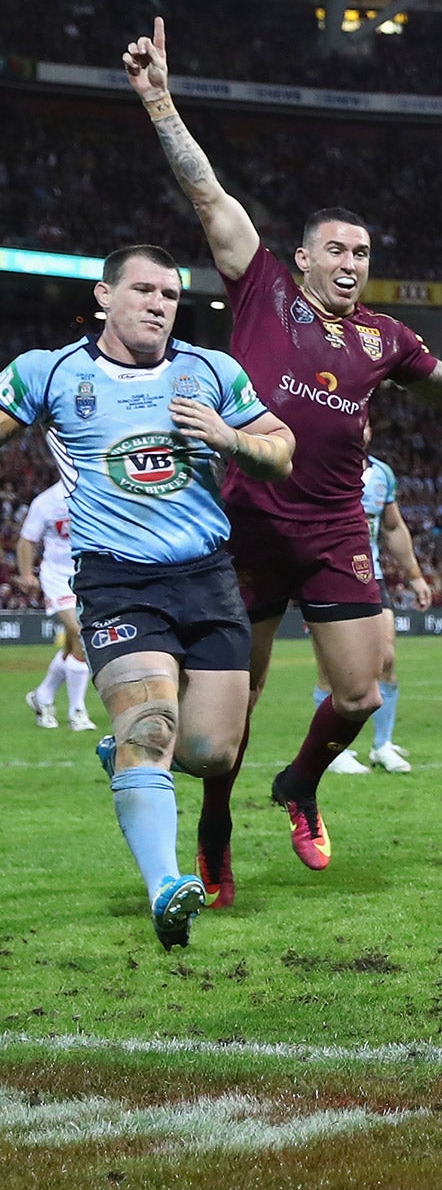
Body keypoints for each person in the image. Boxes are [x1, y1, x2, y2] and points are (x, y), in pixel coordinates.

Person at [124, 17, 442, 906]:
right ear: (307, 254)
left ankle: (303, 785)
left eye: (363, 253)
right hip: (241, 518)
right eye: (339, 251)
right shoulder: (261, 286)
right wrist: (161, 100)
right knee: (227, 718)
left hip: (331, 525)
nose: (352, 264)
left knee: (358, 693)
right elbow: (208, 198)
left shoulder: (383, 338)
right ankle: (214, 824)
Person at [0, 245, 293, 947]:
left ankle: (125, 753)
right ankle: (167, 887)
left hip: (209, 577)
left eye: (169, 292)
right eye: (142, 289)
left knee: (214, 751)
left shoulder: (211, 371)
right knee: (152, 725)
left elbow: (281, 451)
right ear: (104, 296)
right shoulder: (52, 372)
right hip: (117, 581)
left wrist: (229, 437)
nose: (158, 302)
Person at [318, 447, 432, 775]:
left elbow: (393, 528)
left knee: (386, 659)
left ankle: (382, 745)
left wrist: (415, 577)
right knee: (333, 672)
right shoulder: (321, 462)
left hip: (371, 577)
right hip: (328, 577)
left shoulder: (382, 474)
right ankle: (333, 749)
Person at [16, 479, 93, 731]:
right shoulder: (47, 501)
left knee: (74, 643)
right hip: (58, 577)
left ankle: (42, 696)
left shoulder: (95, 492)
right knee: (82, 633)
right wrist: (27, 575)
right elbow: (27, 540)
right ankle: (77, 712)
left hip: (88, 576)